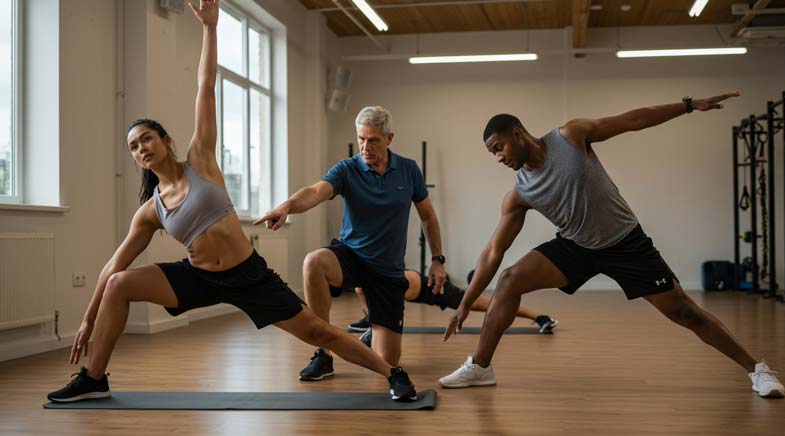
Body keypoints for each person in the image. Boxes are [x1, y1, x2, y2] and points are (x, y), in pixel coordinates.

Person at [47, 0, 416, 404]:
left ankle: (392, 373)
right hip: (200, 278)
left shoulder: (200, 160)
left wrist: (210, 27)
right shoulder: (151, 210)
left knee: (318, 332)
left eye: (147, 138)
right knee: (120, 283)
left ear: (166, 141)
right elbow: (113, 265)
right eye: (133, 147)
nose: (141, 148)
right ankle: (94, 378)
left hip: (249, 275)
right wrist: (87, 317)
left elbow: (206, 86)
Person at [438, 93, 785, 399]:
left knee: (685, 312)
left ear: (517, 133)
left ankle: (758, 370)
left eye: (498, 147)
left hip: (626, 243)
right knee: (511, 278)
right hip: (577, 247)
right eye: (491, 154)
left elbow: (633, 120)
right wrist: (465, 302)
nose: (498, 157)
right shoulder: (520, 193)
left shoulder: (571, 137)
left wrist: (689, 105)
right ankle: (480, 367)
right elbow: (493, 252)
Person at [256, 106, 447, 385]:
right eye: (361, 139)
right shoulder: (347, 169)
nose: (365, 146)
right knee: (314, 262)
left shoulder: (408, 170)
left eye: (373, 140)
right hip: (352, 256)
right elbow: (315, 192)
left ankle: (374, 330)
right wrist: (287, 207)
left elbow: (428, 216)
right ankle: (323, 352)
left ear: (389, 138)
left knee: (387, 362)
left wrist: (438, 259)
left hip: (387, 271)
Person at [347, 269, 558, 347]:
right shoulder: (365, 285)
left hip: (439, 292)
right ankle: (368, 320)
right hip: (424, 294)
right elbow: (364, 293)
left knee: (487, 306)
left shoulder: (390, 281)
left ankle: (540, 316)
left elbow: (393, 310)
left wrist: (375, 328)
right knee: (360, 292)